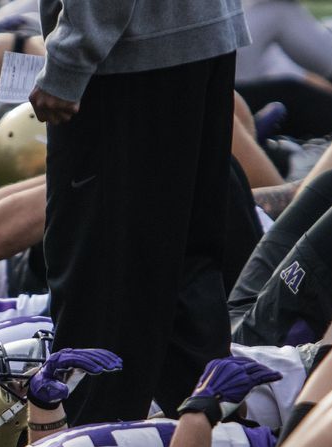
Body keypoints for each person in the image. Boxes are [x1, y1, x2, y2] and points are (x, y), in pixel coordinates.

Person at [29, 0, 250, 425]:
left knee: (102, 292)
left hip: (131, 54)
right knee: (186, 279)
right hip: (195, 34)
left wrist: (70, 58)